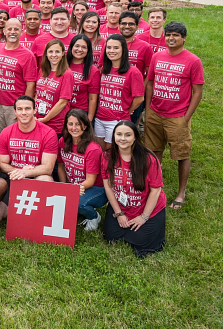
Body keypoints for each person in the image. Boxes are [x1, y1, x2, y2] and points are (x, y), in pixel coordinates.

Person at [144, 22, 204, 210]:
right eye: (168, 35)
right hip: (155, 112)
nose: (171, 38)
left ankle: (181, 193)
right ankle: (154, 189)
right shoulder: (157, 56)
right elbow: (150, 83)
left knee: (181, 155)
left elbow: (197, 91)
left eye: (176, 35)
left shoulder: (193, 61)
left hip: (178, 116)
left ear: (184, 38)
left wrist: (186, 117)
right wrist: (148, 108)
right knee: (153, 154)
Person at [102, 121, 166, 258]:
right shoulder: (107, 157)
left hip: (147, 207)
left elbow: (156, 191)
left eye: (128, 135)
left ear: (135, 137)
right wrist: (119, 214)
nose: (123, 138)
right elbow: (107, 186)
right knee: (110, 237)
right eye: (119, 134)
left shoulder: (149, 159)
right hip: (122, 206)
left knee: (142, 243)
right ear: (114, 136)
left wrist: (144, 217)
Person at [0, 96, 58, 213]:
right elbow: (2, 163)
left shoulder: (48, 133)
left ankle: (40, 213)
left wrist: (26, 172)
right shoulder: (6, 132)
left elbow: (48, 168)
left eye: (28, 109)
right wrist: (19, 172)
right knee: (0, 215)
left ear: (35, 110)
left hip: (36, 176)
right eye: (20, 109)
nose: (23, 112)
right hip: (13, 177)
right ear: (15, 112)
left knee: (46, 179)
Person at [58, 109, 106, 230]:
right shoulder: (63, 141)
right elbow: (61, 165)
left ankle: (94, 217)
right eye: (70, 124)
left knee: (78, 203)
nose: (74, 128)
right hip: (75, 186)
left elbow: (90, 180)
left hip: (97, 188)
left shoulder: (93, 149)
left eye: (78, 124)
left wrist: (72, 191)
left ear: (85, 126)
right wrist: (64, 187)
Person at [95, 35, 145, 149]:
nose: (111, 51)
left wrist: (128, 110)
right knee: (100, 151)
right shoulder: (103, 70)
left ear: (123, 49)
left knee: (111, 153)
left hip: (117, 120)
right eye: (109, 48)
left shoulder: (133, 72)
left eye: (116, 48)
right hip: (100, 118)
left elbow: (139, 98)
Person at [0, 18, 37, 135]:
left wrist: (24, 108)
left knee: (16, 137)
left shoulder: (28, 55)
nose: (12, 32)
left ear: (21, 32)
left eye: (16, 29)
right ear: (4, 31)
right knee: (0, 136)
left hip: (15, 104)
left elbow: (30, 84)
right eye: (10, 29)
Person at [35, 39, 74, 135]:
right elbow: (38, 94)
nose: (54, 55)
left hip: (55, 124)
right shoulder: (42, 71)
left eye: (57, 51)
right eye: (50, 51)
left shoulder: (67, 74)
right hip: (38, 120)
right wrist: (33, 113)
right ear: (46, 54)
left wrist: (45, 119)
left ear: (63, 54)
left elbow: (63, 102)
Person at [67, 34, 100, 121]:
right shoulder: (63, 65)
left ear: (88, 50)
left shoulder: (93, 70)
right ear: (71, 47)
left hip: (80, 113)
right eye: (77, 46)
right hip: (61, 110)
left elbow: (93, 98)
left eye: (84, 47)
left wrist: (89, 119)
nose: (80, 49)